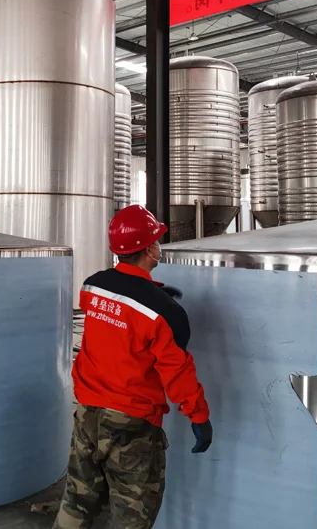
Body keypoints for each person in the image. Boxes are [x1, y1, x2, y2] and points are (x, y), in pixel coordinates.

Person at [53, 205, 212, 529]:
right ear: (150, 248)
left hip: (87, 414)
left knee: (77, 502)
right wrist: (199, 417)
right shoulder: (165, 313)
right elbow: (176, 372)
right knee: (131, 517)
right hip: (131, 426)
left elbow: (119, 313)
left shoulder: (93, 286)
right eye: (156, 241)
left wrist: (151, 292)